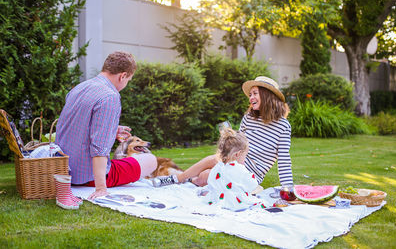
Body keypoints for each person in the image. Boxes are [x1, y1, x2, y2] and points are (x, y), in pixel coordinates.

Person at [153, 76, 293, 188]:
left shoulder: (283, 126)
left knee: (206, 175)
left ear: (267, 95)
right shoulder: (249, 118)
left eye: (255, 94)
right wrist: (229, 138)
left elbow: (284, 160)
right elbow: (238, 144)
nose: (251, 98)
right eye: (250, 95)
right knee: (210, 166)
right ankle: (179, 179)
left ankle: (185, 180)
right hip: (234, 160)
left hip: (251, 174)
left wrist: (288, 188)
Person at [56, 51, 157, 200]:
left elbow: (74, 125)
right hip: (86, 175)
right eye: (128, 79)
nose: (126, 83)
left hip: (64, 168)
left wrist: (111, 130)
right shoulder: (110, 96)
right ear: (122, 76)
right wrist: (101, 188)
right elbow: (99, 148)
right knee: (151, 160)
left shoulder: (80, 87)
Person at [200, 127, 260, 211]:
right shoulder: (240, 170)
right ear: (238, 154)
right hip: (234, 202)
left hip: (215, 200)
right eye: (245, 156)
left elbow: (211, 183)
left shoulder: (218, 167)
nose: (245, 159)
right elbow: (252, 184)